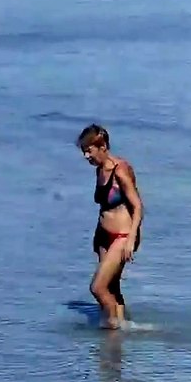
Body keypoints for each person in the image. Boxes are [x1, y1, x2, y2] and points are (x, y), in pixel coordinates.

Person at [77, 124, 144, 330]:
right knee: (112, 286)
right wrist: (98, 237)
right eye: (84, 152)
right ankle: (117, 340)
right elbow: (106, 206)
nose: (86, 156)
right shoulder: (99, 170)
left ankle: (112, 327)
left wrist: (131, 239)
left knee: (97, 288)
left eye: (89, 150)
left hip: (122, 235)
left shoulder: (121, 170)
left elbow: (138, 206)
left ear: (103, 146)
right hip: (104, 235)